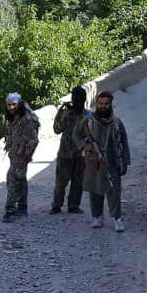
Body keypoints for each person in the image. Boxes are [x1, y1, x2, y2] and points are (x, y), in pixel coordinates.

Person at [77, 91, 131, 231]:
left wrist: (125, 162)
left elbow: (124, 143)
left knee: (114, 191)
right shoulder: (88, 121)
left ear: (110, 104)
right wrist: (85, 145)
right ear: (97, 104)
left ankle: (117, 218)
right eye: (101, 104)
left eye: (106, 104)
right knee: (95, 190)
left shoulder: (117, 122)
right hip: (94, 162)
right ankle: (97, 217)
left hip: (112, 163)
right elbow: (76, 135)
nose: (103, 106)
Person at [51, 86, 89, 215]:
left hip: (80, 154)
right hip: (65, 153)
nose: (78, 101)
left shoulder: (87, 115)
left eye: (80, 99)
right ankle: (56, 206)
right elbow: (56, 130)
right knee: (61, 183)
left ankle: (73, 206)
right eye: (75, 98)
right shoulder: (65, 112)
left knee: (78, 182)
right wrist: (63, 117)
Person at [3, 92, 39, 222]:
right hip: (15, 154)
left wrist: (25, 156)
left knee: (13, 180)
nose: (11, 107)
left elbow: (34, 140)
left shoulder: (27, 119)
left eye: (14, 105)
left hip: (21, 156)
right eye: (9, 105)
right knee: (20, 180)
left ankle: (10, 210)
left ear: (19, 104)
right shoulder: (16, 117)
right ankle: (23, 207)